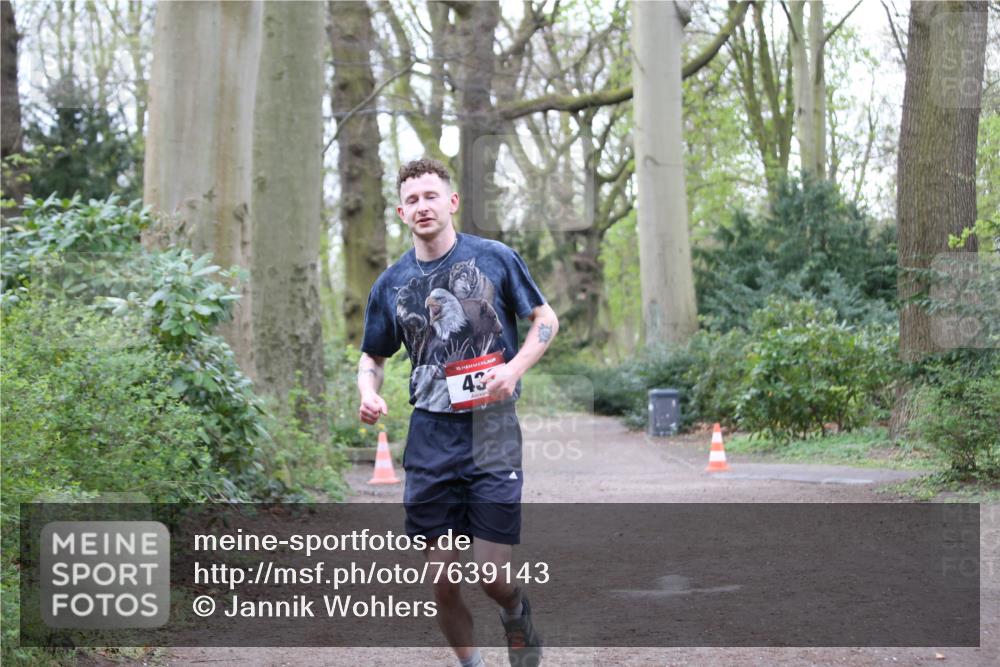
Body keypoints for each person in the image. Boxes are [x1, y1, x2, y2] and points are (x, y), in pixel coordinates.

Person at [357, 158, 558, 667]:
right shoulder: (392, 283)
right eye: (413, 200)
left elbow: (544, 319)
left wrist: (512, 370)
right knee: (442, 580)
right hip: (430, 433)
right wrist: (368, 391)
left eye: (431, 195)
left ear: (451, 203)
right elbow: (373, 356)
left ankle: (516, 613)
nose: (423, 206)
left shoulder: (494, 258)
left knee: (492, 577)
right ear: (401, 212)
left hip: (492, 429)